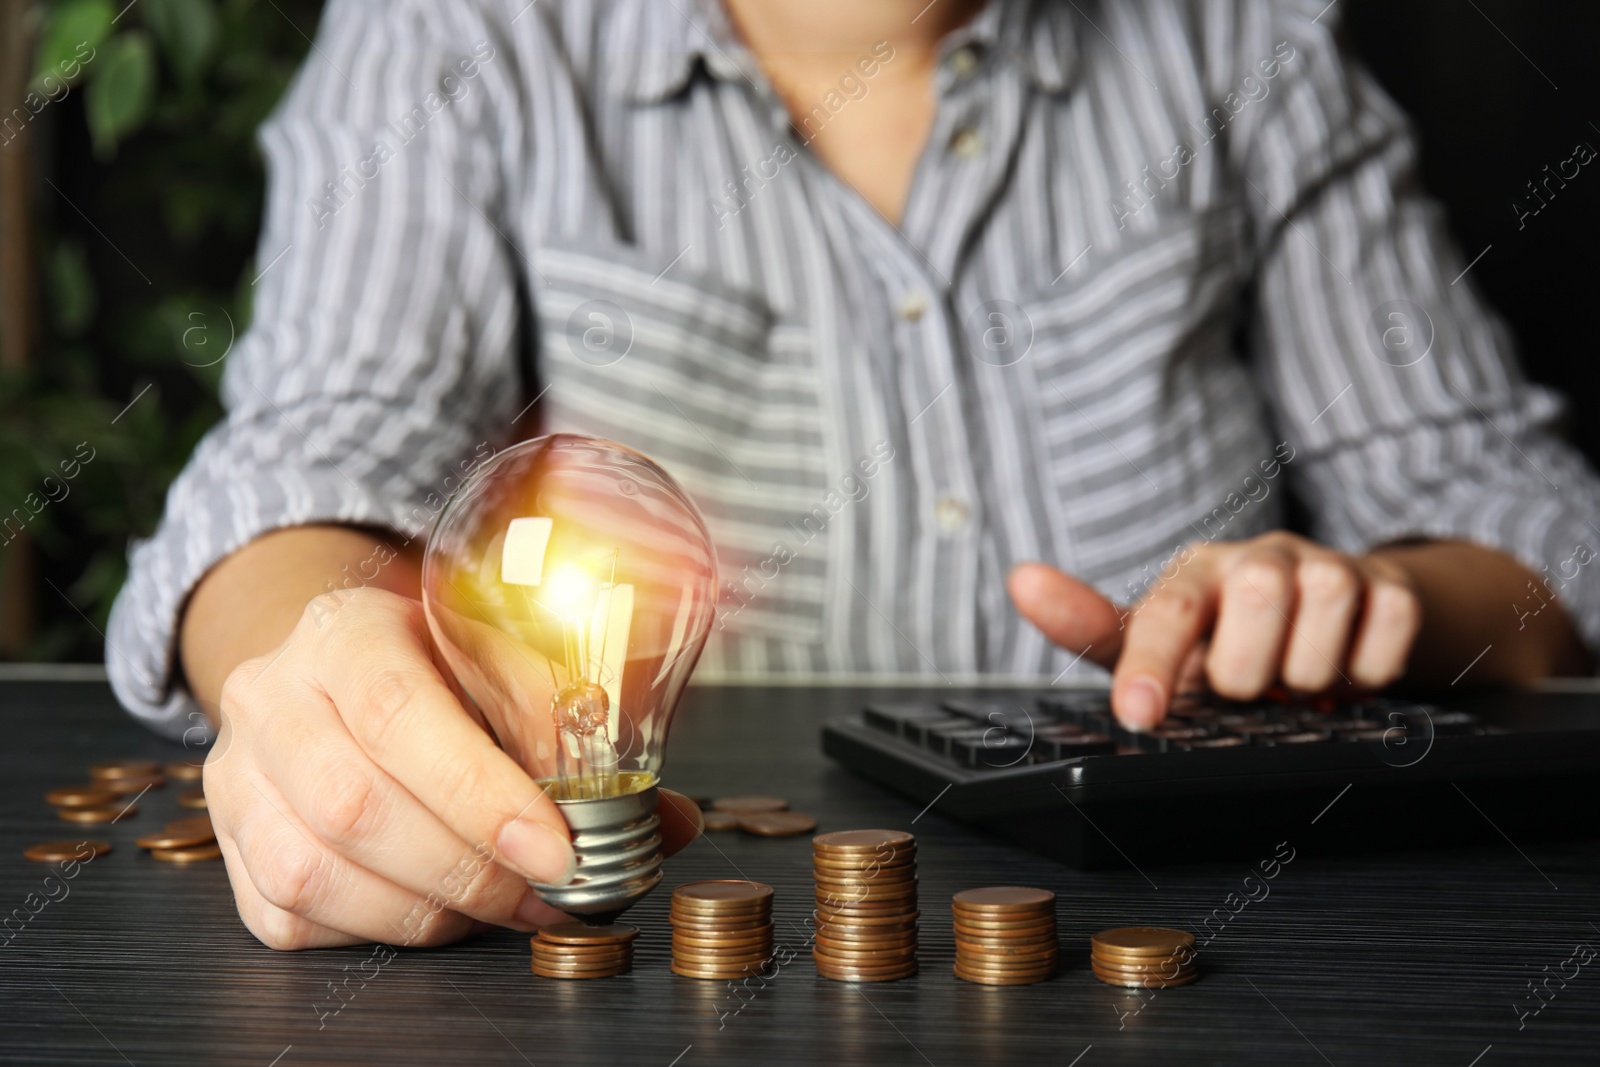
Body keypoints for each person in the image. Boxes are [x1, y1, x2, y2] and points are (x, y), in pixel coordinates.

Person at [107, 0, 1599, 949]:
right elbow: (302, 465)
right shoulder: (455, 35)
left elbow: (1531, 531)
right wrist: (313, 663)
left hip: (1210, 910)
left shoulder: (1240, 39)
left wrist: (1385, 600)